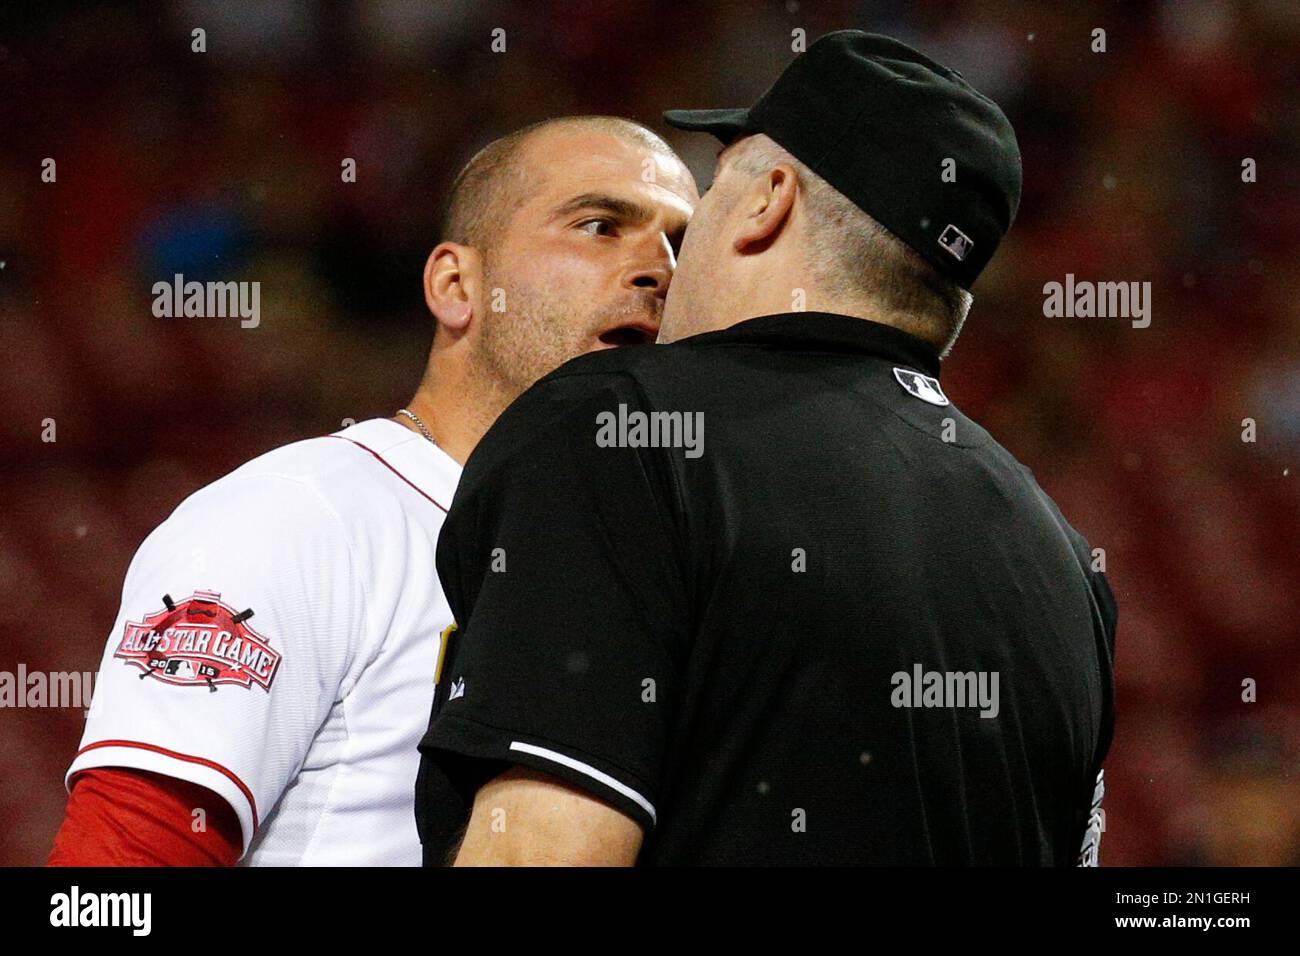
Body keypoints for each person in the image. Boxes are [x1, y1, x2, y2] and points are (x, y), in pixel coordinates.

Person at [415, 32, 1117, 866]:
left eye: (711, 193)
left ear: (768, 200)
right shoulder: (1067, 564)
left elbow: (543, 854)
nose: (667, 263)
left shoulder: (618, 430)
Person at [48, 115, 696, 866]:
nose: (659, 267)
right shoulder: (296, 517)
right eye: (599, 225)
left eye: (682, 244)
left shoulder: (663, 563)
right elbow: (115, 884)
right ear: (458, 285)